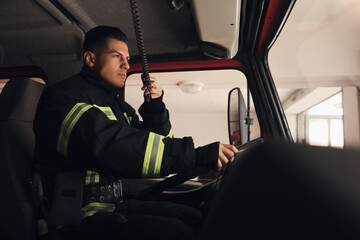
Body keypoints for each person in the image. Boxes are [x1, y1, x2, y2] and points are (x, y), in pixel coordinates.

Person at [33, 25, 238, 239]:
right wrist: (196, 155)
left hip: (111, 206)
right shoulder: (62, 98)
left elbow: (152, 144)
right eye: (116, 56)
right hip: (77, 217)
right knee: (180, 233)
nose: (126, 65)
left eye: (128, 58)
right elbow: (113, 149)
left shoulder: (116, 105)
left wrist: (154, 109)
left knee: (194, 218)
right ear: (90, 59)